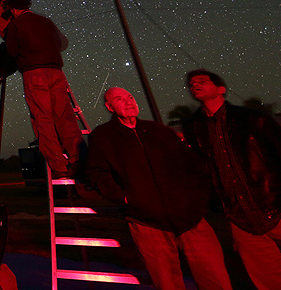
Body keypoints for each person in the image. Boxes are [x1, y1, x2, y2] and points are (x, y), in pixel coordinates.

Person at [86, 87, 232, 290]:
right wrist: (125, 198)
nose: (128, 102)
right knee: (167, 283)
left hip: (190, 217)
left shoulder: (158, 130)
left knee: (215, 277)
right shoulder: (102, 137)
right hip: (147, 222)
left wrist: (196, 199)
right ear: (109, 107)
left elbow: (191, 165)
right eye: (120, 99)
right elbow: (97, 173)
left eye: (130, 97)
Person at [183, 69, 281, 290]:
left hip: (275, 202)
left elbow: (280, 152)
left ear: (221, 89)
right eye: (191, 83)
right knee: (268, 278)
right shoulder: (194, 127)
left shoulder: (251, 118)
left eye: (202, 81)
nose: (195, 85)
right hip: (239, 215)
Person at [2, 0, 84, 179]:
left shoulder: (16, 24)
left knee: (43, 120)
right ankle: (78, 160)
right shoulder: (47, 22)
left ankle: (59, 166)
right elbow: (62, 43)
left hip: (34, 74)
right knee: (65, 117)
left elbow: (11, 51)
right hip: (56, 72)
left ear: (13, 9)